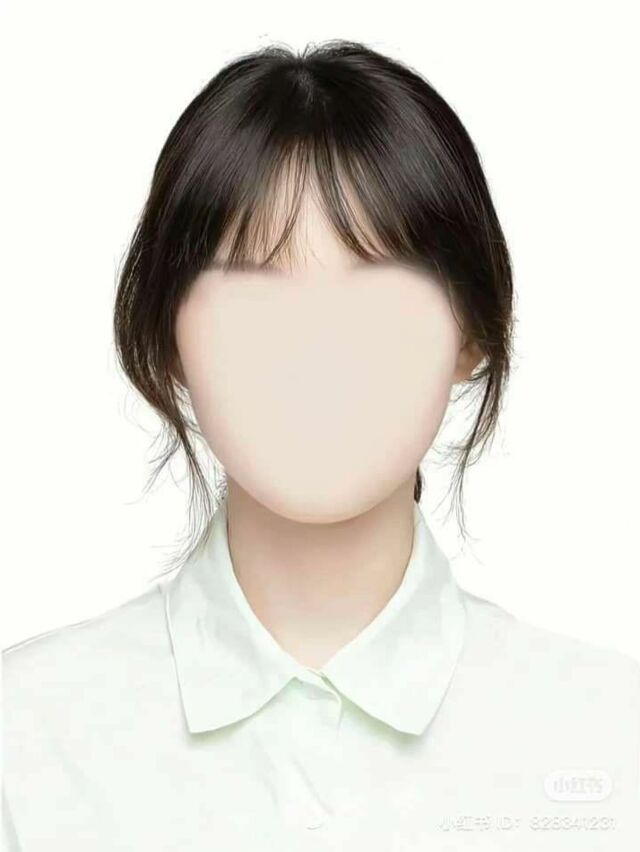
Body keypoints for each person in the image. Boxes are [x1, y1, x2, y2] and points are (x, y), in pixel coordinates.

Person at [3, 39, 639, 851]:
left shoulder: (612, 734)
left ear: (474, 332)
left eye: (376, 287)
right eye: (257, 290)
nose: (317, 351)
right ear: (166, 339)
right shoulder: (26, 739)